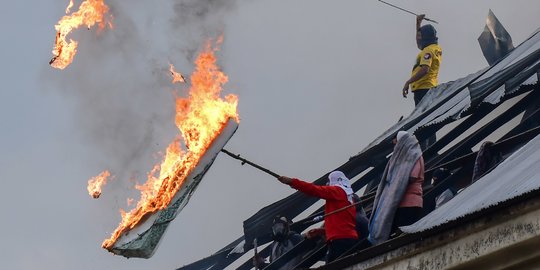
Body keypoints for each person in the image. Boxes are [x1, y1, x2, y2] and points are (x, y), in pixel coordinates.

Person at [277, 171, 358, 263]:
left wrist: (291, 182)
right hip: (348, 238)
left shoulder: (337, 191)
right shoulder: (349, 198)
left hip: (339, 240)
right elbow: (341, 224)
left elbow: (314, 189)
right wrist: (322, 231)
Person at [368, 131, 424, 245]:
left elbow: (412, 176)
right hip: (402, 202)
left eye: (396, 142)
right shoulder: (406, 156)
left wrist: (397, 181)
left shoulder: (414, 154)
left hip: (410, 202)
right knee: (399, 231)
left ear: (402, 142)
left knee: (405, 233)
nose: (395, 145)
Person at [402, 14, 443, 106]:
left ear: (426, 36)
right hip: (429, 87)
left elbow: (425, 69)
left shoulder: (428, 51)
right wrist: (418, 23)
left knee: (424, 115)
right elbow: (419, 43)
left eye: (421, 35)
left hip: (423, 89)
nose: (419, 38)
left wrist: (408, 82)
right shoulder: (434, 48)